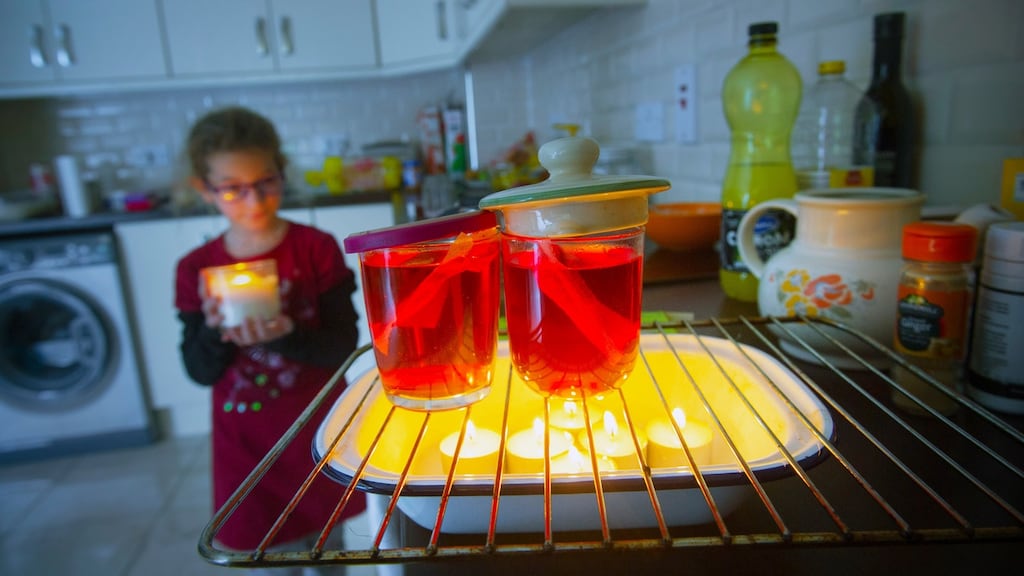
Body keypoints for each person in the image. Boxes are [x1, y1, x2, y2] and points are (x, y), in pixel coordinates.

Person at [174, 106, 366, 572]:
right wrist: (218, 330)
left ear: (282, 172)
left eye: (266, 182)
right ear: (205, 189)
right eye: (233, 189)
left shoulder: (316, 249)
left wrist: (285, 335)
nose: (254, 201)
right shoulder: (195, 268)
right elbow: (200, 371)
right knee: (266, 555)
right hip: (247, 447)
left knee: (332, 548)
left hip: (318, 431)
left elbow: (342, 348)